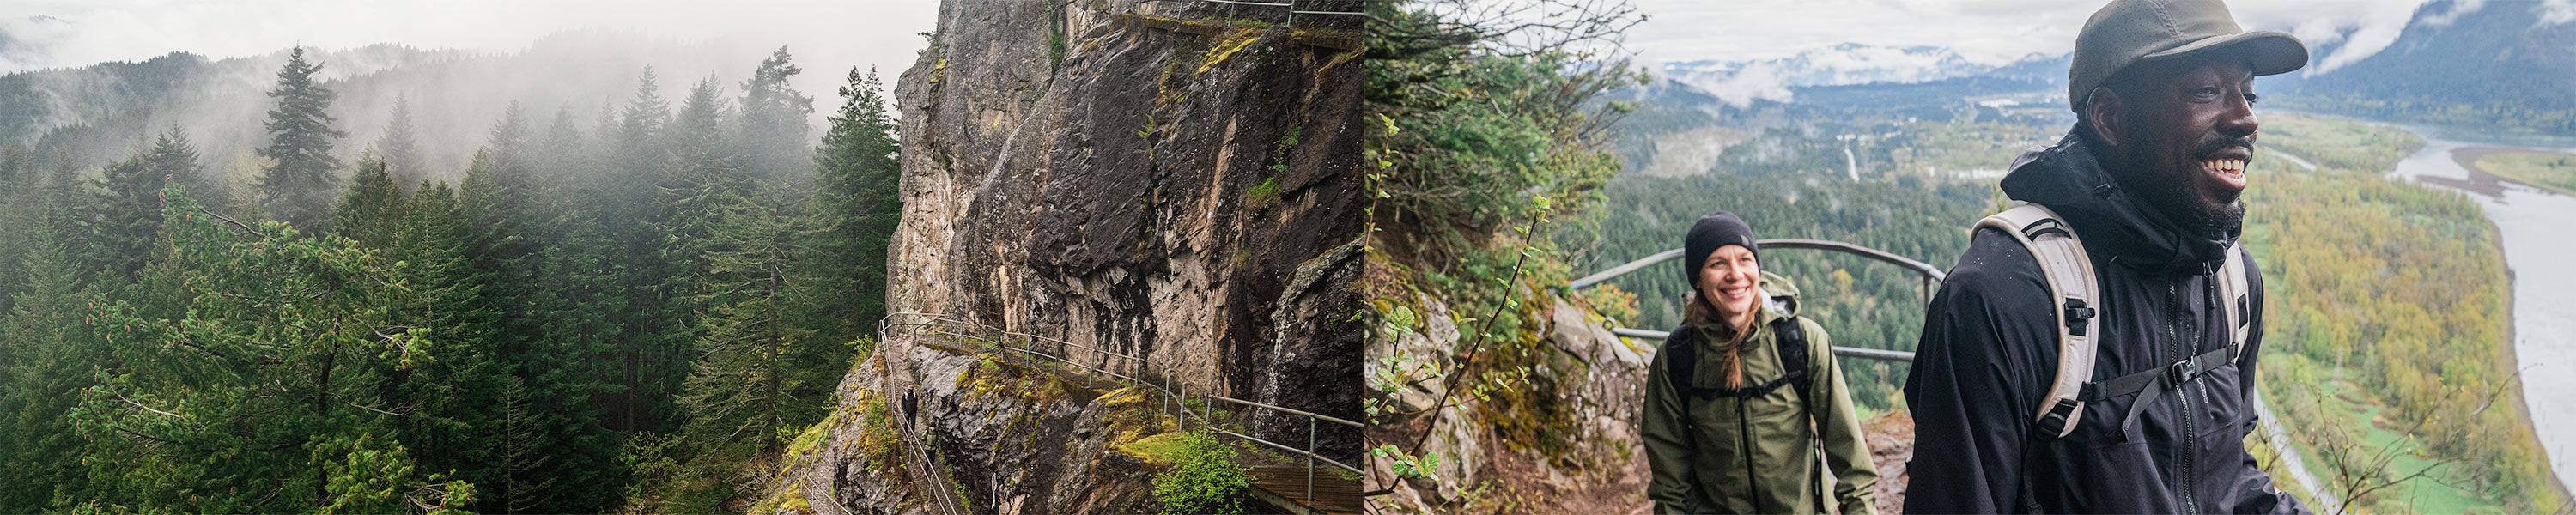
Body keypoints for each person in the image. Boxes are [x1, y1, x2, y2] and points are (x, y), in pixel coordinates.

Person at [1904, 0, 2309, 512]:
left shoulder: (2232, 281)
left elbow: (2226, 479)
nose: (2246, 119)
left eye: (2248, 94)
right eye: (2207, 91)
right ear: (2110, 119)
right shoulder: (2002, 298)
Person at [1642, 212, 1878, 515]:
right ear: (1698, 279)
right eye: (1717, 263)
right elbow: (1669, 479)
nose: (1735, 274)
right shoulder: (1678, 357)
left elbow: (1850, 456)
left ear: (1757, 267)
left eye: (1744, 259)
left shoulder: (1801, 341)